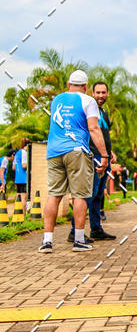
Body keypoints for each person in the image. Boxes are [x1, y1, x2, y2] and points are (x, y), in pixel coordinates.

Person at [39, 70, 108, 252]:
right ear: (86, 86)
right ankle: (78, 240)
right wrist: (105, 155)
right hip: (76, 151)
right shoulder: (88, 100)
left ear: (69, 84)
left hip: (53, 151)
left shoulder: (57, 99)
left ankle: (47, 241)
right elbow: (94, 129)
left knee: (54, 194)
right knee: (80, 195)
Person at [74, 81, 117, 242]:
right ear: (92, 93)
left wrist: (109, 152)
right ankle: (75, 231)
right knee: (87, 194)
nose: (100, 95)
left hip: (104, 157)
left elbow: (103, 134)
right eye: (98, 92)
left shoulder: (104, 112)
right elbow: (90, 132)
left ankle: (96, 229)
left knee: (99, 195)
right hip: (92, 157)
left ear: (107, 94)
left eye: (103, 92)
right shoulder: (88, 110)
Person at [13, 138, 28, 210]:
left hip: (17, 178)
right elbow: (24, 165)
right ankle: (23, 215)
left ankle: (16, 213)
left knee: (18, 197)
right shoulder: (24, 152)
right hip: (23, 178)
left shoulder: (17, 153)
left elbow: (13, 167)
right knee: (23, 198)